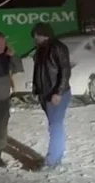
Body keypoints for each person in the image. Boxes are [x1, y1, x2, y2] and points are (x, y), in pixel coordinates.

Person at [30, 22, 71, 168]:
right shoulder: (41, 50)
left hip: (56, 94)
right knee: (54, 125)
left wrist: (58, 92)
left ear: (44, 34)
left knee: (55, 125)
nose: (35, 37)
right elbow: (39, 71)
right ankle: (57, 155)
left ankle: (52, 159)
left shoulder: (57, 48)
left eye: (37, 34)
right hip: (45, 94)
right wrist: (37, 89)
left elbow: (65, 71)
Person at [0, 31, 23, 169]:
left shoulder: (6, 57)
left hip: (4, 100)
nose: (1, 45)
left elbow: (18, 68)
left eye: (3, 42)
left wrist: (13, 56)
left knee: (1, 129)